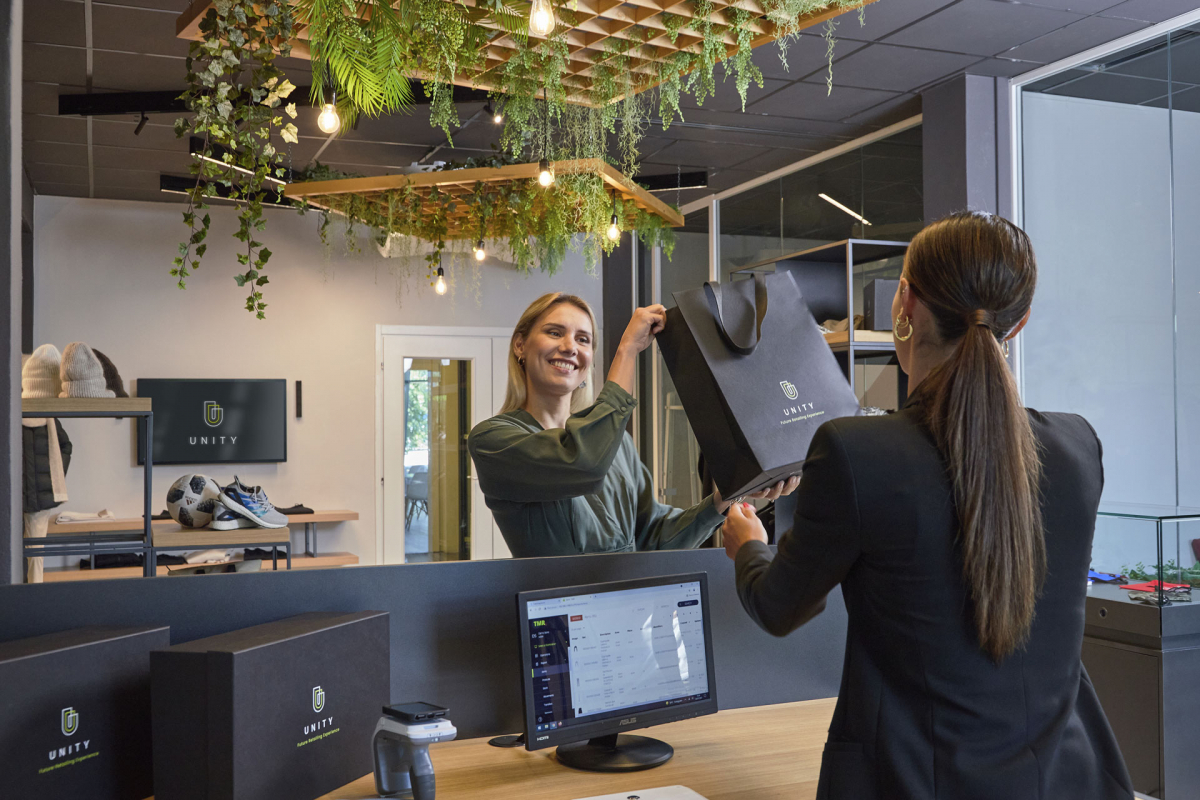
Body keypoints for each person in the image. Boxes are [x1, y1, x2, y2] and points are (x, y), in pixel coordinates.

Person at [721, 212, 1133, 799]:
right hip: (1063, 783)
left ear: (905, 304)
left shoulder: (855, 453)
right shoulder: (1077, 448)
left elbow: (779, 607)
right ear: (1019, 324)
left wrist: (749, 548)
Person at [467, 292, 799, 558]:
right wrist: (627, 351)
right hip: (561, 614)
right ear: (520, 345)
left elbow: (654, 537)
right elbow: (583, 463)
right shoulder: (493, 440)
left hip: (633, 610)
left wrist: (727, 494)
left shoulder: (618, 445)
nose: (569, 347)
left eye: (583, 339)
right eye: (555, 332)